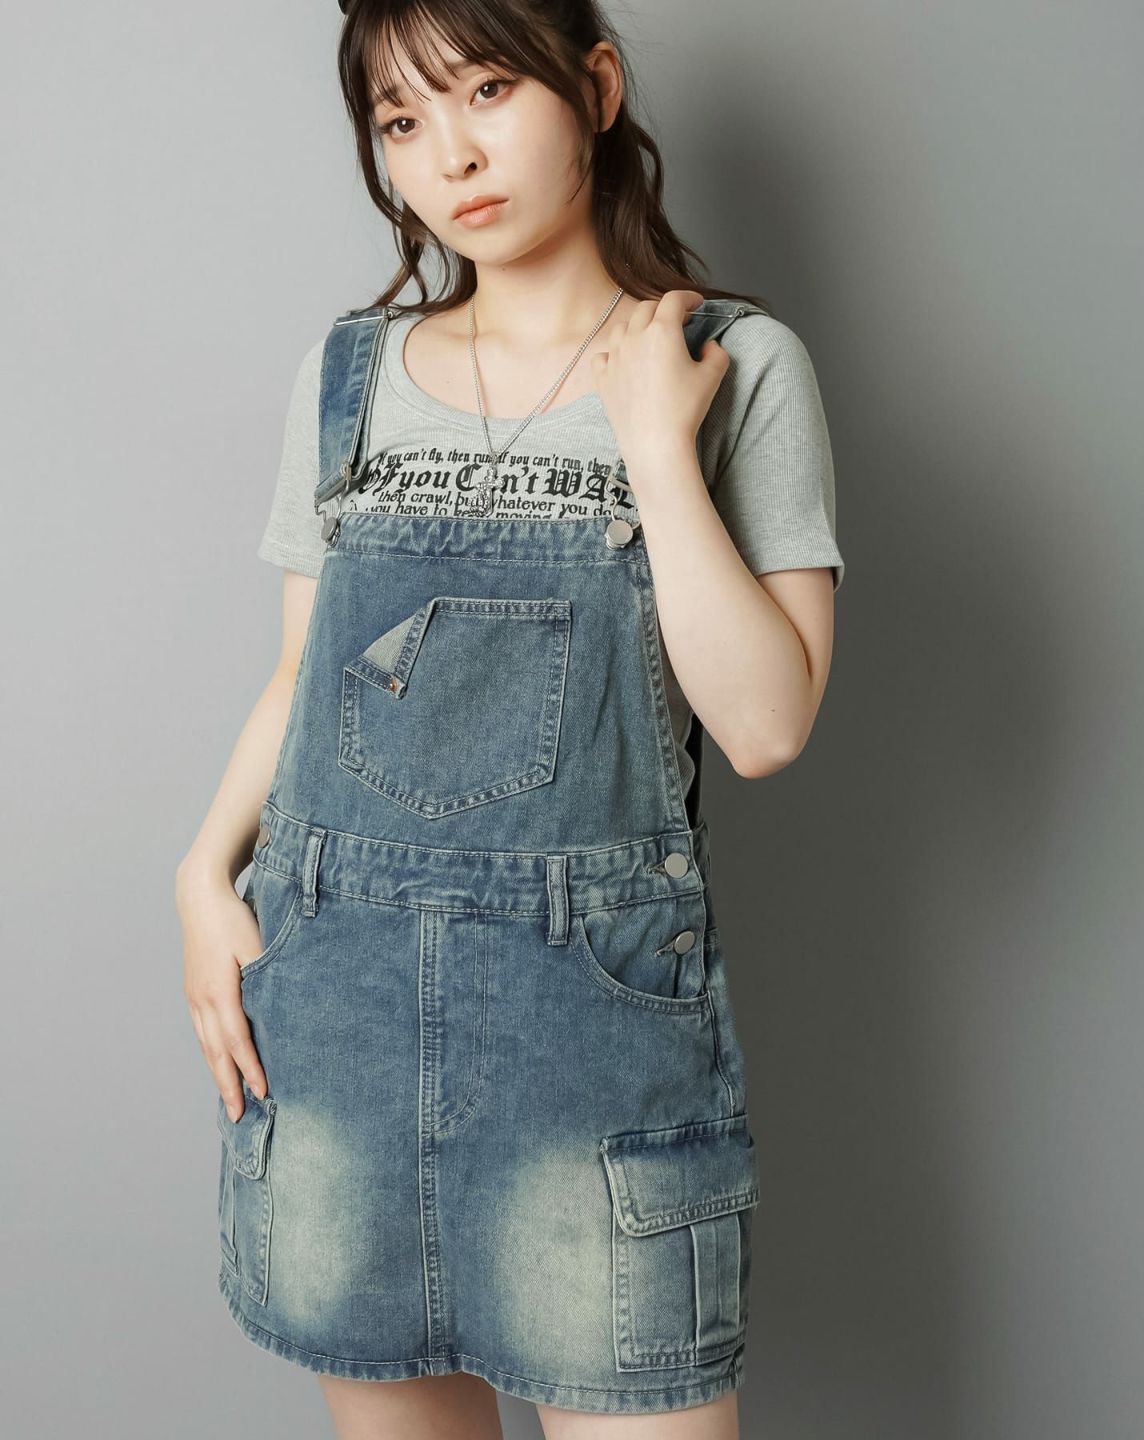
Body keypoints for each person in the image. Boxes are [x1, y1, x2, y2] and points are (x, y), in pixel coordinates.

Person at [175, 2, 845, 1435]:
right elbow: (304, 678)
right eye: (402, 119)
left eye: (487, 89)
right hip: (337, 1015)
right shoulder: (350, 376)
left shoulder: (735, 363)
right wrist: (197, 872)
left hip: (586, 1037)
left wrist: (656, 451)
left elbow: (766, 725)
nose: (451, 154)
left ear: (594, 87)